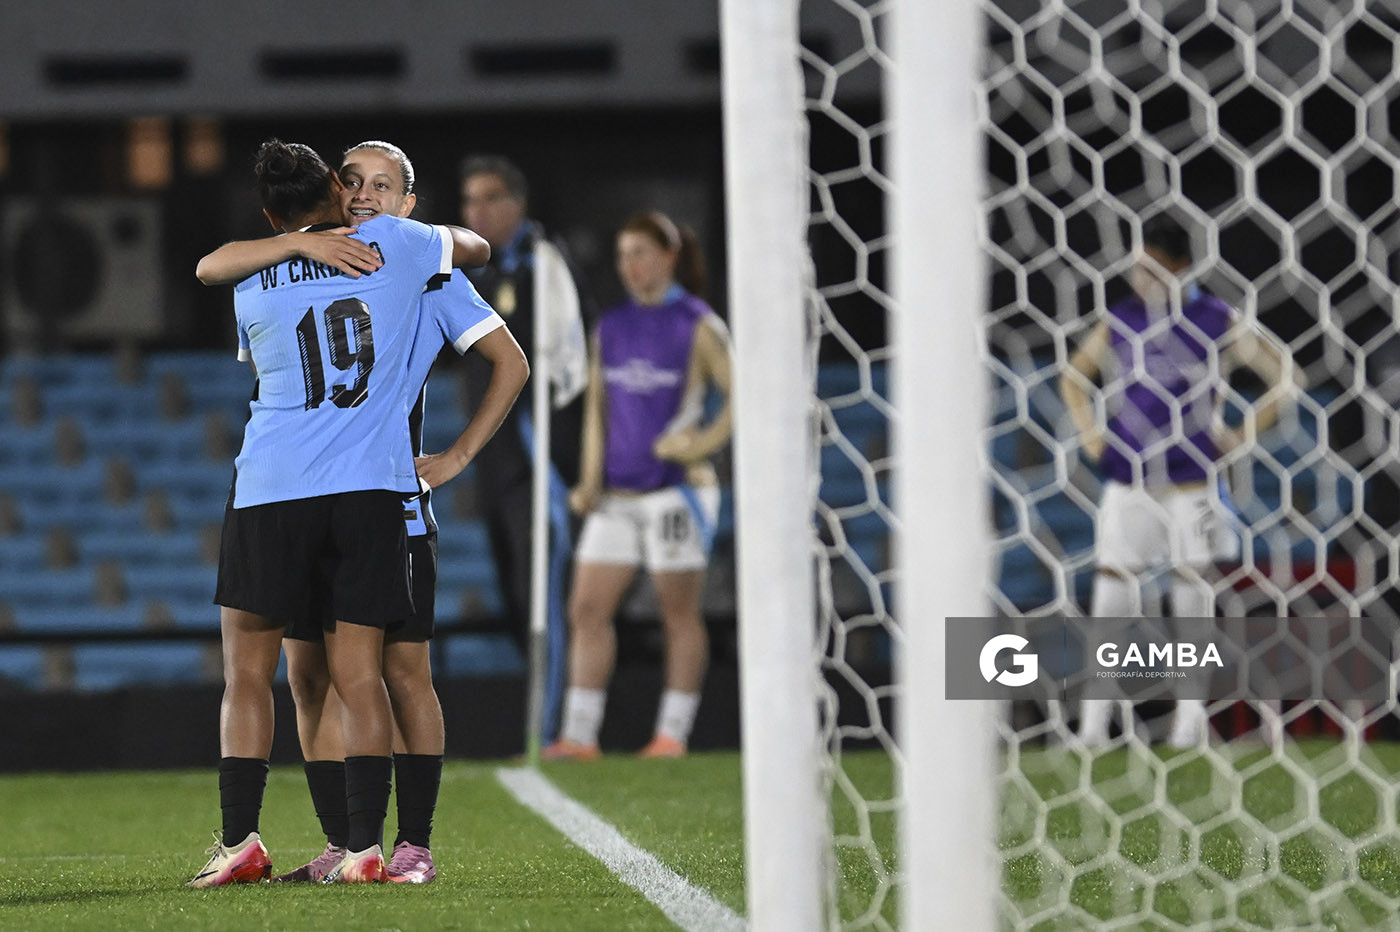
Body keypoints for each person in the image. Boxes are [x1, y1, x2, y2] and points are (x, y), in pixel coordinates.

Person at [195, 141, 525, 884]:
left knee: (399, 671)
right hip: (357, 492)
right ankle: (349, 844)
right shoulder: (397, 255)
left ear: (410, 203)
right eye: (353, 181)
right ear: (333, 193)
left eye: (384, 185)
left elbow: (508, 350)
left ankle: (409, 842)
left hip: (381, 492)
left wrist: (459, 457)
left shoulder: (415, 265)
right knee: (315, 676)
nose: (366, 194)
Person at [1059, 215, 1294, 749]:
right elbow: (1075, 377)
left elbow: (1285, 378)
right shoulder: (1122, 320)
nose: (1141, 279)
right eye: (1137, 268)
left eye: (1152, 269)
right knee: (1111, 600)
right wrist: (1093, 437)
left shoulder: (1215, 318)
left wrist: (1240, 435)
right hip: (1131, 480)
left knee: (1190, 603)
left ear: (1180, 268)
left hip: (1192, 484)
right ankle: (1094, 727)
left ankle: (1190, 724)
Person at [544, 210, 732, 761]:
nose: (630, 265)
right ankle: (580, 737)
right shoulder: (613, 327)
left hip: (678, 491)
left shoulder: (697, 323)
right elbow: (597, 414)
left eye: (641, 253)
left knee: (677, 612)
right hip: (617, 496)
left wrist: (699, 445)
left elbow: (742, 393)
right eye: (623, 254)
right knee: (586, 609)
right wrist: (587, 479)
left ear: (668, 257)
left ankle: (672, 734)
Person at [460, 156, 587, 737]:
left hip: (538, 468)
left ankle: (550, 730)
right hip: (494, 467)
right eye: (469, 202)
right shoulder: (473, 276)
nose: (476, 212)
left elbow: (570, 365)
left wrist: (562, 465)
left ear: (517, 204)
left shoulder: (545, 267)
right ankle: (550, 715)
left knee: (542, 598)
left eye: (488, 199)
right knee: (515, 595)